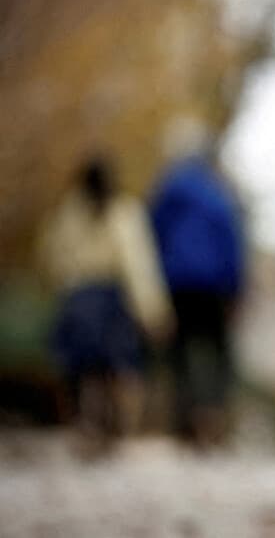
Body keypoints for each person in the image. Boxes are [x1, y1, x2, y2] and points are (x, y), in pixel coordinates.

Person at [40, 153, 172, 453]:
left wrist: (62, 292)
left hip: (77, 297)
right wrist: (152, 311)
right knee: (118, 367)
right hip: (111, 298)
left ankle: (86, 424)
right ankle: (116, 429)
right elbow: (138, 266)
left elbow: (51, 258)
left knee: (80, 369)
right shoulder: (124, 213)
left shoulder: (67, 215)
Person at [150, 140, 245, 446]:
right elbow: (231, 243)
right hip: (213, 286)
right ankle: (213, 417)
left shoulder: (165, 194)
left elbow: (151, 237)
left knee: (180, 352)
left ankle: (185, 421)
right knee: (217, 352)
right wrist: (236, 288)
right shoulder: (218, 195)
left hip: (175, 283)